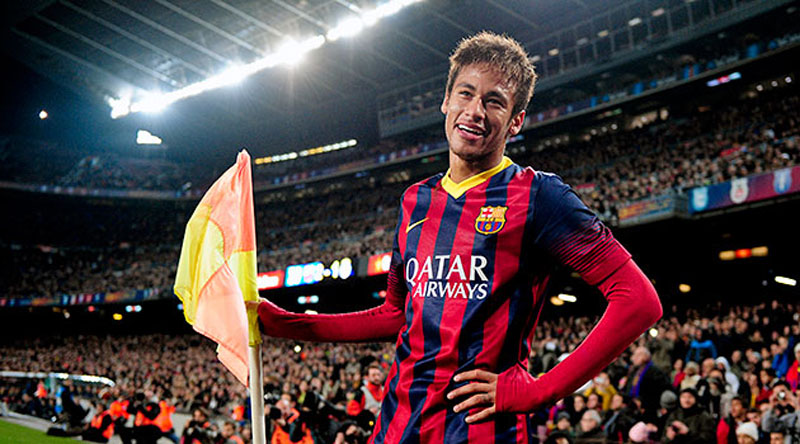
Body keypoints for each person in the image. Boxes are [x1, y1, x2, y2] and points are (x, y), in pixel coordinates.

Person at [250, 31, 662, 443]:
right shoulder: (415, 200)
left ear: (516, 120)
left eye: (494, 101)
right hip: (397, 425)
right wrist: (284, 322)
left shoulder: (541, 196)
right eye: (465, 94)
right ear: (446, 101)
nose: (475, 111)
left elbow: (639, 300)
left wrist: (540, 390)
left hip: (481, 430)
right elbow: (395, 314)